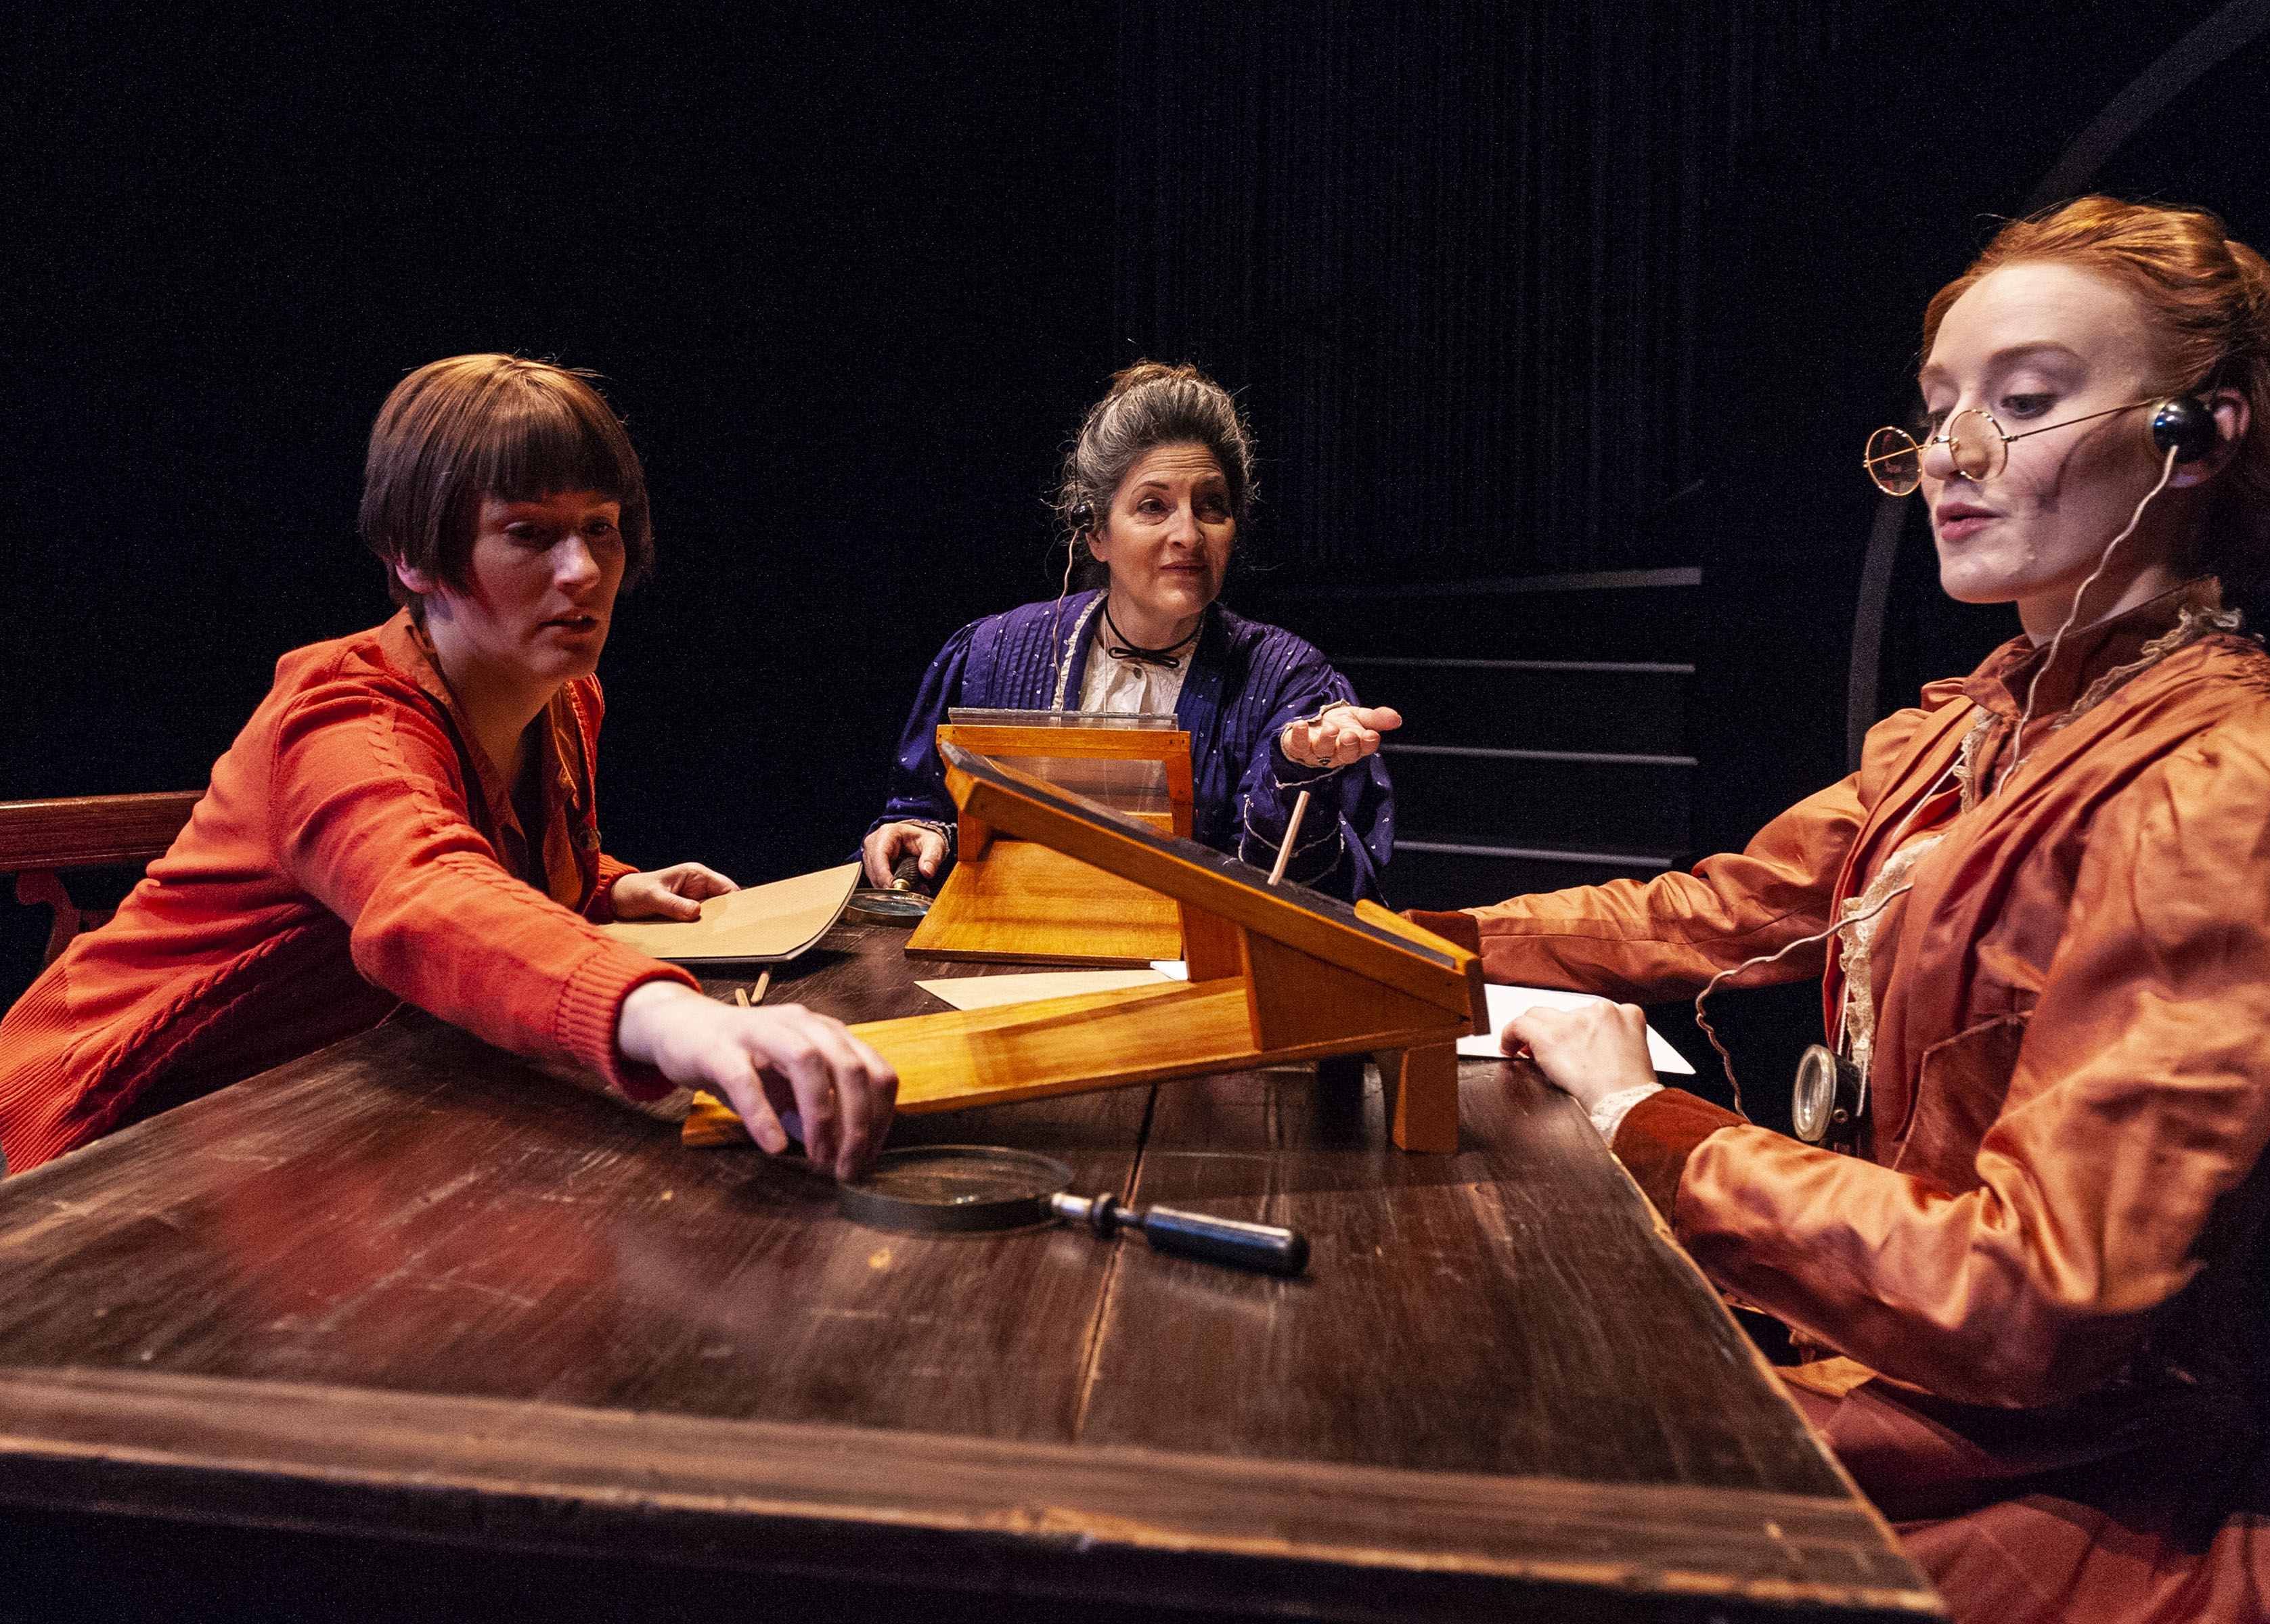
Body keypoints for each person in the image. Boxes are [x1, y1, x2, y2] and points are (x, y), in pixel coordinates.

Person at [1410, 200, 2270, 1621]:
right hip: (1918, 1389)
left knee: (1475, 1488)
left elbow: (2037, 1301)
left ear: (2201, 436)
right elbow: (1713, 908)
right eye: (1937, 408)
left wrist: (1637, 1122)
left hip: (2088, 1480)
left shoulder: (2253, 784)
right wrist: (1405, 948)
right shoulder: (1980, 728)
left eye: (2023, 402)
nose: (1950, 455)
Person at [0, 355, 895, 1179]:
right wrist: (676, 1019)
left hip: (293, 1126)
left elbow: (475, 847)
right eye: (528, 533)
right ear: (414, 557)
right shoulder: (339, 717)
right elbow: (425, 893)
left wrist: (599, 884)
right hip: (96, 1136)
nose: (582, 570)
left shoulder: (564, 699)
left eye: (600, 527)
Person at [862, 362, 1399, 900]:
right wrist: (917, 835)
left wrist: (1297, 771)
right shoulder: (992, 654)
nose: (1187, 533)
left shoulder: (1288, 681)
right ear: (1095, 532)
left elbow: (1308, 901)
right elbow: (921, 814)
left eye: (1212, 505)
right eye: (1152, 506)